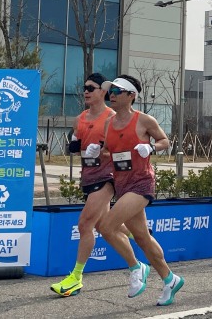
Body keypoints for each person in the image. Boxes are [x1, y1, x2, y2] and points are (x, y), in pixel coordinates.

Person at [97, 75, 184, 305]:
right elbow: (107, 151)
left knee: (106, 226)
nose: (112, 95)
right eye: (110, 91)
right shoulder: (108, 123)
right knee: (144, 238)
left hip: (141, 183)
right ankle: (170, 279)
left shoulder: (144, 120)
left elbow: (165, 141)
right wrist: (98, 153)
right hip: (122, 184)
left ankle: (136, 267)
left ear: (131, 95)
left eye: (117, 91)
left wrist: (151, 147)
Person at [51, 73, 126, 297]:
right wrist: (76, 145)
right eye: (84, 87)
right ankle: (140, 240)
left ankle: (76, 277)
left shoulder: (112, 117)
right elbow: (75, 147)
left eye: (91, 88)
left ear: (103, 91)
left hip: (107, 176)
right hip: (88, 176)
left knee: (85, 224)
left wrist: (103, 150)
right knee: (105, 222)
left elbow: (120, 149)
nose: (86, 91)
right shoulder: (80, 118)